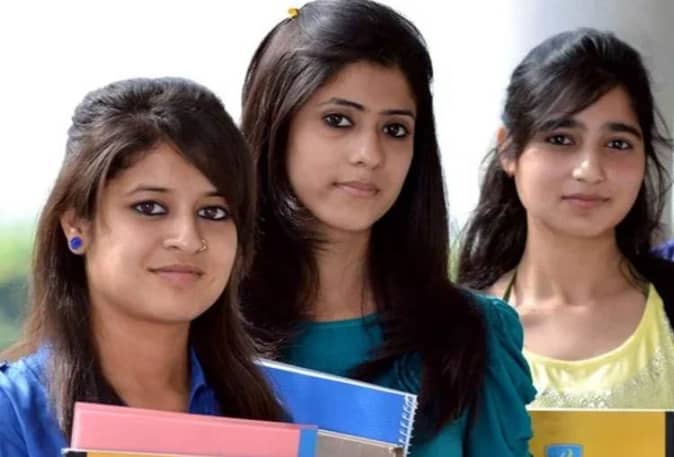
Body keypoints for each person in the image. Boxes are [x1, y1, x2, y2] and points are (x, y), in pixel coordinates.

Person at [240, 1, 535, 455]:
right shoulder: (206, 329)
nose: (369, 155)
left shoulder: (475, 333)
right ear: (277, 126)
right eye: (338, 120)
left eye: (395, 129)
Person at [0, 77, 284, 456]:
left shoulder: (278, 411)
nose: (188, 238)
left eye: (213, 212)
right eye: (150, 207)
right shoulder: (12, 415)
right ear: (76, 224)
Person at [458, 28, 674, 408]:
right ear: (509, 150)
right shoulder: (456, 330)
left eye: (617, 144)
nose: (589, 170)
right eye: (560, 139)